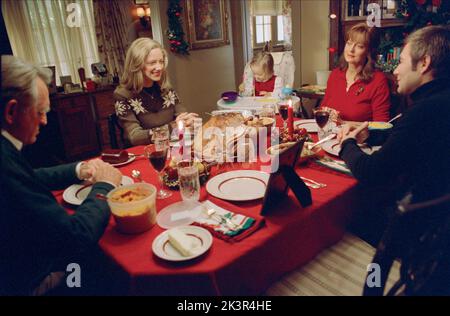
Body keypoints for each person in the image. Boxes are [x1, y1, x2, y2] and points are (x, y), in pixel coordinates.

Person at [0, 55, 123, 295]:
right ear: (12, 111)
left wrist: (78, 169)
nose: (45, 121)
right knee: (110, 265)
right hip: (28, 281)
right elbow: (76, 237)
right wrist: (105, 186)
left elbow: (29, 177)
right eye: (40, 112)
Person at [339, 25, 450, 204]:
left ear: (424, 63)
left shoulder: (423, 111)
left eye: (401, 62)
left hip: (411, 219)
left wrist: (347, 144)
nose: (396, 71)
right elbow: (406, 139)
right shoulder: (440, 100)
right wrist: (371, 135)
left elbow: (371, 172)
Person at [114, 38, 198, 146]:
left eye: (161, 62)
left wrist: (189, 121)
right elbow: (134, 137)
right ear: (136, 65)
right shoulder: (122, 95)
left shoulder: (167, 89)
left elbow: (182, 117)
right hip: (145, 154)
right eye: (152, 63)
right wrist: (172, 127)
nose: (159, 67)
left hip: (171, 149)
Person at [321, 23, 391, 122]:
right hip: (331, 135)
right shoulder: (335, 75)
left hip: (358, 137)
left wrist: (343, 123)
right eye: (349, 43)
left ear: (368, 52)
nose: (351, 49)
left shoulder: (378, 80)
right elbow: (322, 109)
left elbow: (381, 124)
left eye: (359, 46)